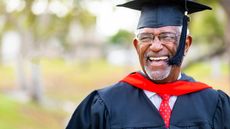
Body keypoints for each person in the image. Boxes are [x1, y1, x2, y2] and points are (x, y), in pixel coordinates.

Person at [66, 0, 230, 129]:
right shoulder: (103, 105)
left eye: (167, 37)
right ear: (137, 46)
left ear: (186, 44)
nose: (156, 46)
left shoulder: (214, 104)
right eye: (146, 38)